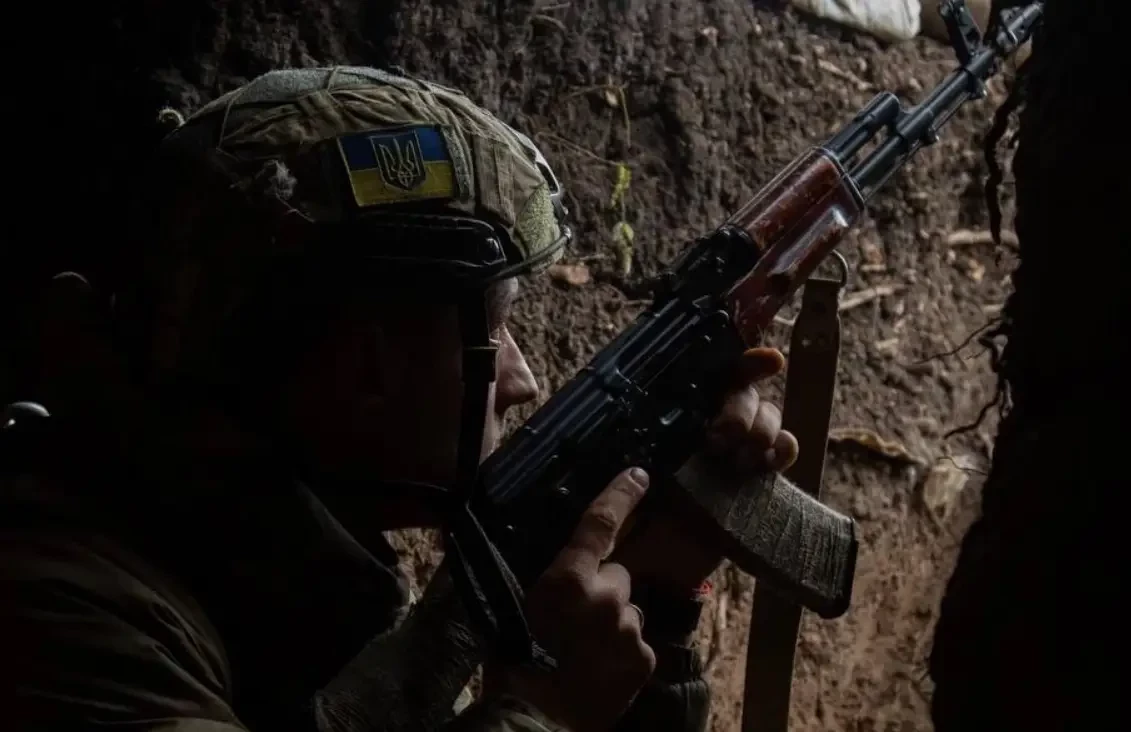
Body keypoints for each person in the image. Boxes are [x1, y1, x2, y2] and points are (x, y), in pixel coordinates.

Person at [1, 66, 798, 732]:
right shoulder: (58, 612)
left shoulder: (269, 571)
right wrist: (541, 713)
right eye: (494, 329)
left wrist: (656, 592)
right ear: (368, 361)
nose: (521, 380)